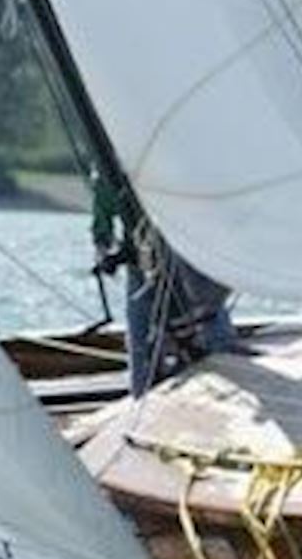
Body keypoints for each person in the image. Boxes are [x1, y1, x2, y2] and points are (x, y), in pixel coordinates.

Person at [88, 168, 242, 398]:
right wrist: (106, 252)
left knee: (211, 331)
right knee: (141, 347)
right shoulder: (107, 172)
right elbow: (102, 227)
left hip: (186, 259)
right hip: (142, 264)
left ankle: (231, 385)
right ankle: (142, 400)